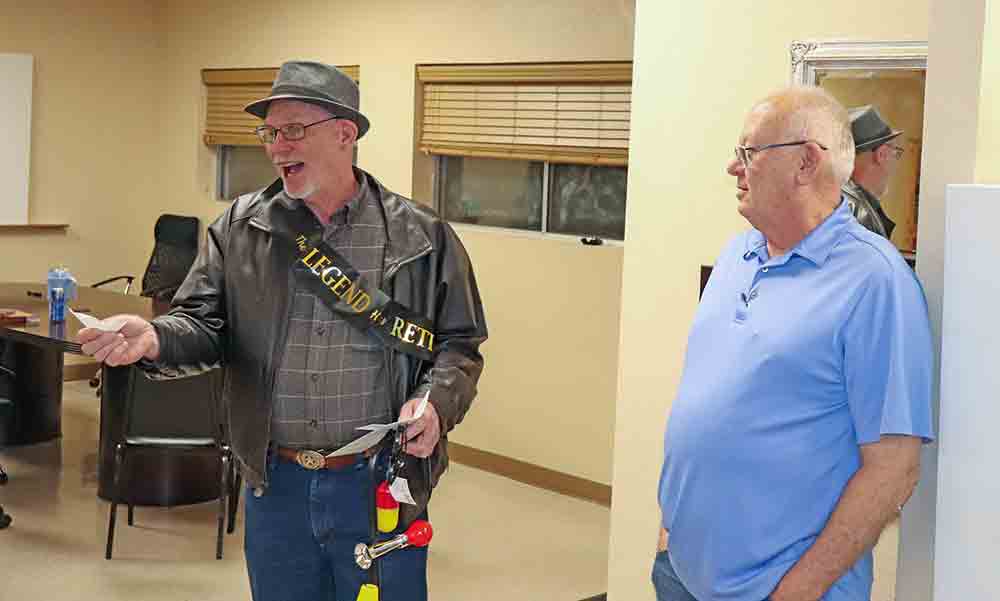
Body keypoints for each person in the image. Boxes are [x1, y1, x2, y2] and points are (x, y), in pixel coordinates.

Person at [78, 60, 488, 601]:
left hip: (380, 481)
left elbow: (458, 344)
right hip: (276, 484)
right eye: (269, 132)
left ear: (346, 134)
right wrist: (154, 338)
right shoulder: (242, 228)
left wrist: (435, 403)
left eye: (293, 129)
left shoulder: (422, 237)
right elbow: (203, 324)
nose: (276, 146)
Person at [653, 87, 933, 601]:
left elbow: (894, 469)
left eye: (748, 153)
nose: (733, 169)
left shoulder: (875, 282)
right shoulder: (738, 254)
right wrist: (672, 530)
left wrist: (795, 593)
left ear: (806, 162)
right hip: (681, 572)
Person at [842, 105, 905, 239]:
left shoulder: (832, 202)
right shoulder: (858, 216)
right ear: (881, 154)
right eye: (896, 153)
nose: (895, 165)